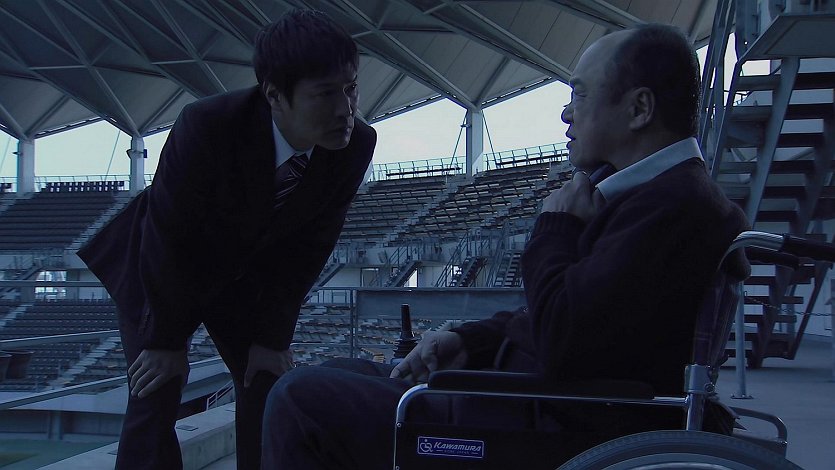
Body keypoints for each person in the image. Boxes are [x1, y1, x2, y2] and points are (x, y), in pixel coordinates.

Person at [260, 23, 749, 469]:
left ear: (639, 109)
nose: (566, 112)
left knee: (300, 400)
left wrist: (555, 227)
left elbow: (562, 335)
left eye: (579, 94)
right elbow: (572, 318)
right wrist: (469, 341)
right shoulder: (656, 197)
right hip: (526, 404)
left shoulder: (674, 209)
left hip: (535, 427)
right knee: (338, 370)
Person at [77, 9, 376, 470]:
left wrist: (272, 338)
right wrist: (165, 341)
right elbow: (168, 236)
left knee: (267, 383)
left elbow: (310, 247)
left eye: (350, 87)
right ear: (274, 95)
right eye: (324, 94)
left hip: (245, 279)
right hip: (162, 269)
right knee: (155, 387)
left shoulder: (356, 145)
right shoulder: (206, 125)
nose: (345, 109)